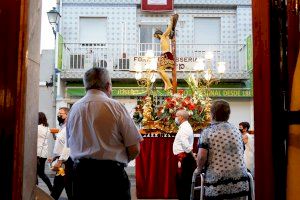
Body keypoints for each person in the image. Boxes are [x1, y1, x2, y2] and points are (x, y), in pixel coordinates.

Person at [66, 67, 143, 200]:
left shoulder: (74, 109)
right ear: (108, 86)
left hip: (82, 177)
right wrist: (121, 161)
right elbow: (134, 148)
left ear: (85, 85)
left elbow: (70, 144)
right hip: (112, 177)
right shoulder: (116, 107)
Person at [197, 100, 249, 199]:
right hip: (240, 183)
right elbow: (242, 150)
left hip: (218, 184)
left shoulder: (207, 132)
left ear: (212, 114)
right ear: (228, 114)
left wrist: (198, 169)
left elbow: (201, 157)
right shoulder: (236, 131)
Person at [50, 107, 73, 200]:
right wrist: (54, 157)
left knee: (61, 186)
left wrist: (60, 161)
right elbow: (60, 144)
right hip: (62, 162)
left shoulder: (68, 128)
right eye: (58, 114)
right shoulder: (62, 127)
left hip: (65, 163)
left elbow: (68, 146)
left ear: (67, 115)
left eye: (61, 114)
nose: (59, 115)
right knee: (62, 186)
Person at [173, 110, 196, 200]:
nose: (175, 118)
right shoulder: (184, 127)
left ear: (181, 117)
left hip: (184, 157)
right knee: (182, 181)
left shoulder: (185, 128)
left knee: (183, 182)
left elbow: (185, 144)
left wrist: (192, 155)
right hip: (184, 156)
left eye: (176, 116)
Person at [154, 13, 178, 91]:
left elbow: (169, 29)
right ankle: (166, 84)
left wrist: (171, 21)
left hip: (166, 54)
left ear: (158, 34)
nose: (156, 37)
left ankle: (169, 84)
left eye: (156, 36)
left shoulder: (164, 36)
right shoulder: (163, 38)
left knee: (160, 70)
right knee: (159, 70)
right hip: (164, 54)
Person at [36, 112, 53, 192]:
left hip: (36, 153)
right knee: (40, 173)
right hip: (43, 154)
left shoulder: (37, 128)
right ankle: (50, 188)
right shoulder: (47, 129)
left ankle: (51, 189)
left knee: (39, 173)